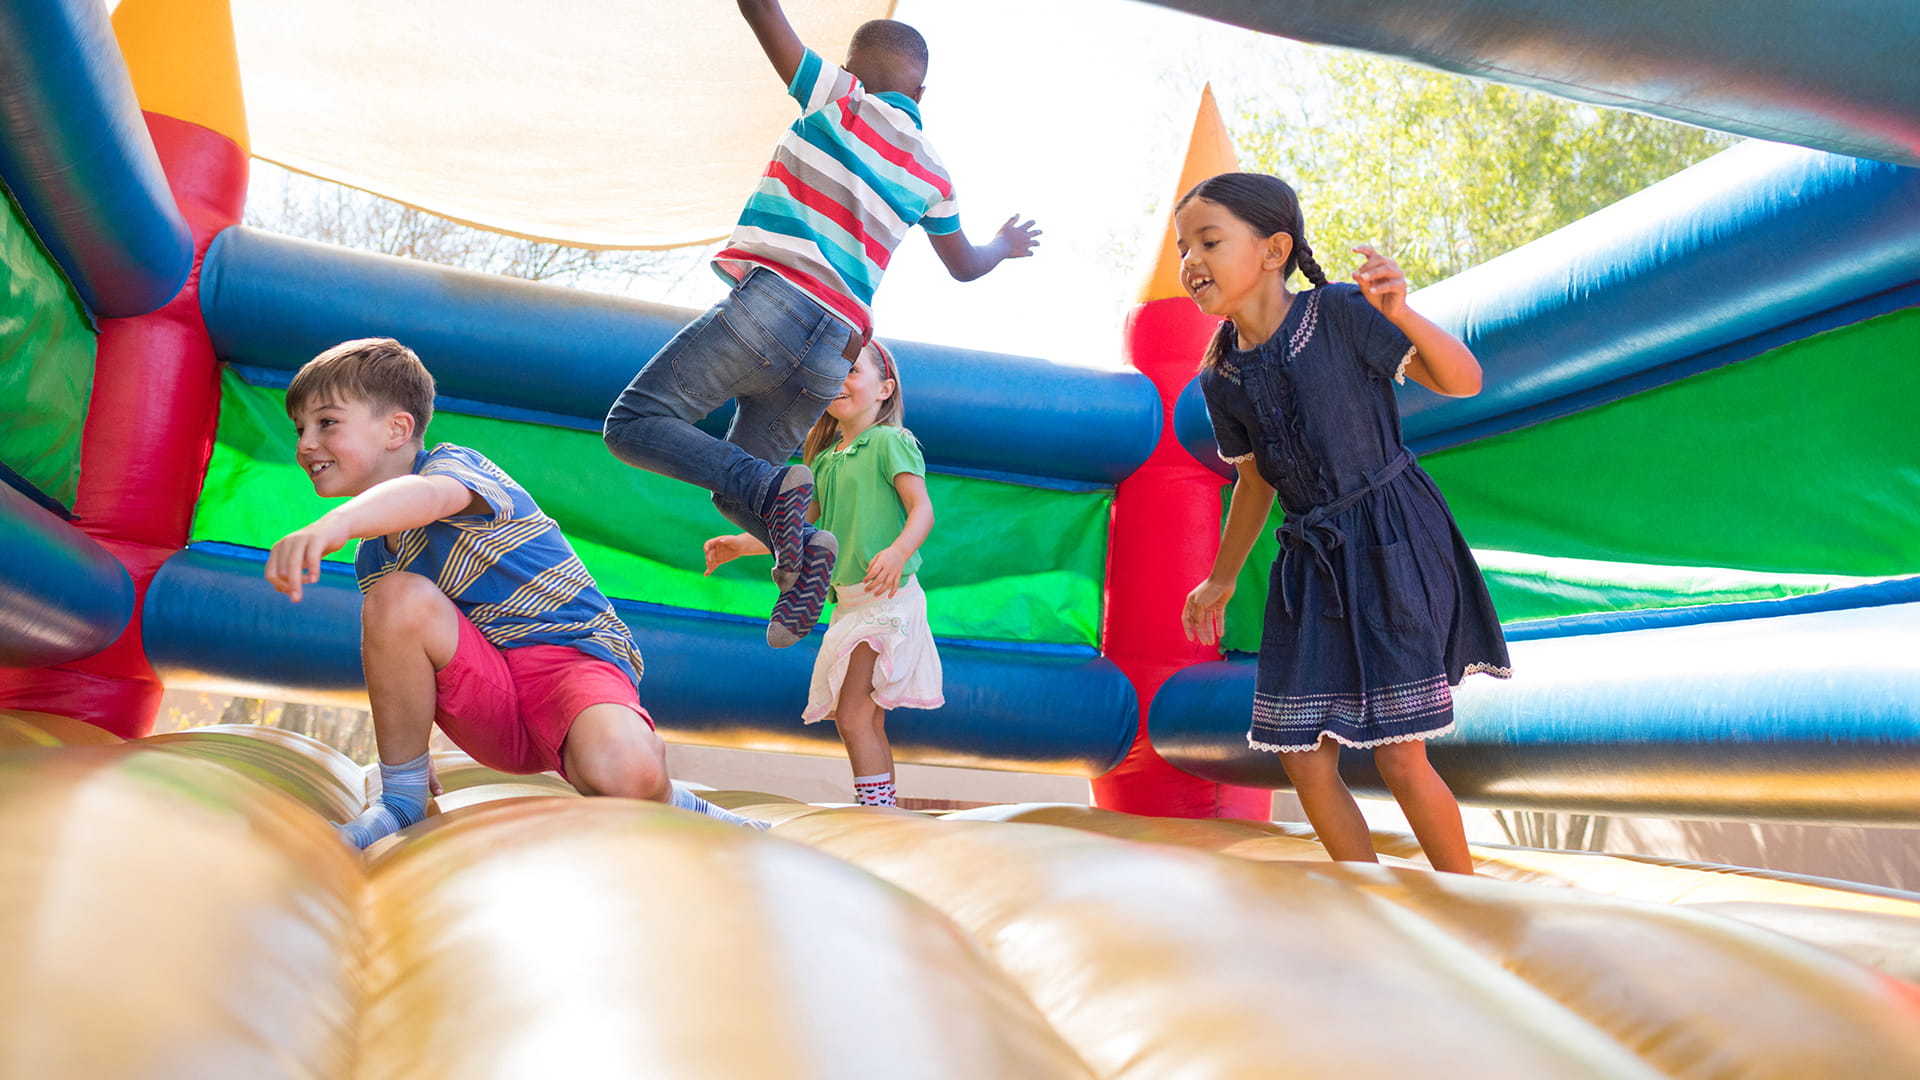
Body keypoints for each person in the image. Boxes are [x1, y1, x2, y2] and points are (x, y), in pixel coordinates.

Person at [603, 0, 1039, 649]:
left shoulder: (840, 98)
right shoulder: (934, 173)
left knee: (634, 424)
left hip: (774, 307)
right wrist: (1003, 245)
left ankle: (777, 494)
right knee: (741, 493)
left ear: (849, 70)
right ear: (922, 92)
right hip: (835, 348)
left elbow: (762, 14)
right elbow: (965, 266)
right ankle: (807, 554)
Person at [264, 338, 766, 847]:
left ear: (398, 428)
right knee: (396, 599)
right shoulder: (376, 558)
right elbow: (414, 662)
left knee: (624, 773)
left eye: (326, 422)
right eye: (299, 428)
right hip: (493, 705)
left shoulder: (455, 469)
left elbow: (426, 498)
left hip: (569, 664)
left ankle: (672, 798)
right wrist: (408, 757)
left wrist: (336, 524)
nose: (305, 443)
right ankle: (402, 801)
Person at [1173, 173, 1511, 875]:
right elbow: (1255, 480)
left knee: (1399, 752)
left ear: (1273, 250)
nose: (1190, 261)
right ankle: (1370, 901)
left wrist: (1403, 312)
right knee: (1302, 758)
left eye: (1209, 241)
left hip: (1390, 538)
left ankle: (1474, 907)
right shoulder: (1222, 375)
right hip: (1313, 564)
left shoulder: (1339, 314)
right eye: (1183, 248)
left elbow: (1463, 380)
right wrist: (1221, 578)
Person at [703, 342, 941, 807]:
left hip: (888, 600)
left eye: (853, 371)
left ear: (883, 389)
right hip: (850, 603)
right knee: (862, 717)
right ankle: (883, 807)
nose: (842, 381)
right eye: (836, 374)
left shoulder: (891, 442)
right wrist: (739, 545)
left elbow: (923, 510)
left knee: (853, 714)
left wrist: (897, 551)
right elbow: (801, 527)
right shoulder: (827, 460)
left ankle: (876, 812)